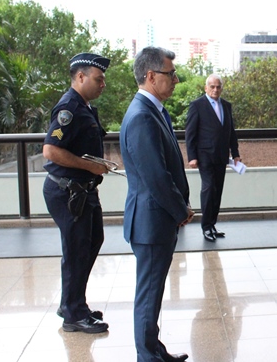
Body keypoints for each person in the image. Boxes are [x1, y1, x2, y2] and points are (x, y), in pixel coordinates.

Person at [120, 46, 194, 362]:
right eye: (170, 74)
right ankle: (147, 356)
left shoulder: (152, 111)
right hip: (151, 222)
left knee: (152, 293)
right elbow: (156, 176)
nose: (175, 80)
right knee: (148, 295)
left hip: (155, 220)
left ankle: (153, 349)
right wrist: (181, 210)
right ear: (151, 76)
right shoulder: (141, 116)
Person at [42, 53, 111, 334]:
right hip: (68, 191)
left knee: (92, 242)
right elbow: (51, 150)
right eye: (98, 79)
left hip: (84, 190)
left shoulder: (84, 106)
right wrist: (90, 165)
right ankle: (73, 314)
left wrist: (94, 168)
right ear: (80, 77)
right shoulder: (68, 108)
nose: (103, 84)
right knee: (76, 250)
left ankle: (73, 303)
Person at [185, 74, 240, 242]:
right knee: (208, 189)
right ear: (206, 88)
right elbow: (190, 133)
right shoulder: (197, 105)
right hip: (204, 156)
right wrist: (192, 157)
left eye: (218, 86)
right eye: (212, 86)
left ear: (221, 88)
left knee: (217, 191)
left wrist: (235, 153)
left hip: (221, 156)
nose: (215, 89)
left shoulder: (226, 106)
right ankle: (206, 227)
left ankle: (212, 224)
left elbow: (230, 132)